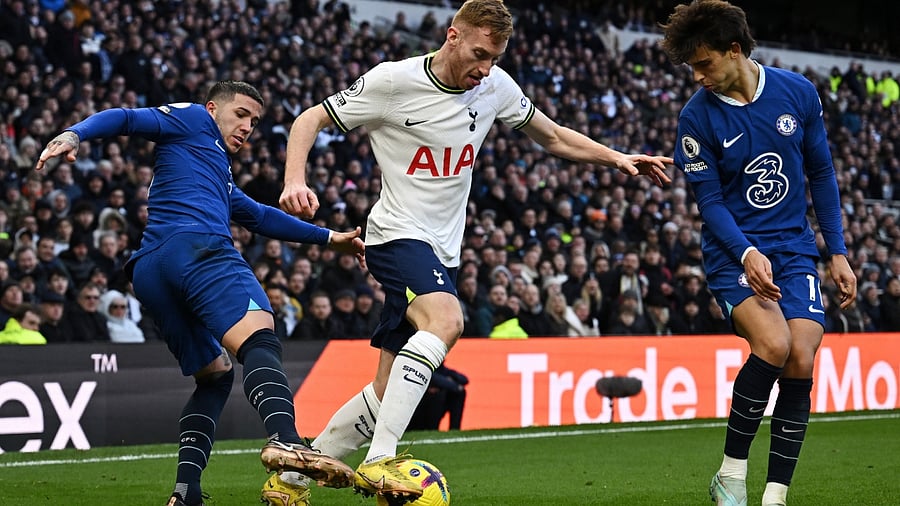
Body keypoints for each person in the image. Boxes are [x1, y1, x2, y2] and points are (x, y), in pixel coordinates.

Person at [277, 0, 671, 501]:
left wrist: (616, 157)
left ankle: (292, 480)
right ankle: (381, 460)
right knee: (447, 321)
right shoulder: (393, 82)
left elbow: (550, 136)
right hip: (396, 234)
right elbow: (309, 118)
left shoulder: (494, 86)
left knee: (385, 390)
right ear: (452, 36)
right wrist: (295, 179)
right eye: (480, 54)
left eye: (496, 58)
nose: (485, 68)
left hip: (442, 249)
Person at [35, 80, 363, 506]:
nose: (247, 127)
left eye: (255, 121)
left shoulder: (216, 174)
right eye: (241, 114)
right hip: (196, 247)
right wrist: (75, 133)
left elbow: (261, 216)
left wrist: (329, 237)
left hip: (151, 270)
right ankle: (286, 439)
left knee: (216, 376)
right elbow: (128, 118)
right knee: (261, 336)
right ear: (212, 108)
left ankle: (185, 491)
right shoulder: (192, 118)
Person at [660, 2, 857, 505]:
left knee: (801, 357)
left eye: (704, 64)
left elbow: (822, 174)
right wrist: (746, 251)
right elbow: (710, 203)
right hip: (732, 253)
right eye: (692, 69)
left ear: (735, 50)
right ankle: (730, 474)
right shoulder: (695, 118)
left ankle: (775, 496)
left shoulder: (798, 93)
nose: (698, 76)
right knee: (772, 344)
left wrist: (836, 251)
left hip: (793, 250)